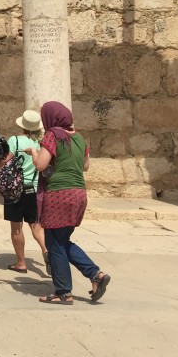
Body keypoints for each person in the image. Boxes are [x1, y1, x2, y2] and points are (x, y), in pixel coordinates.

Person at [22, 101, 111, 305]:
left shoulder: (53, 135)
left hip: (59, 195)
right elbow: (86, 166)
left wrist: (34, 153)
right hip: (78, 194)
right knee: (62, 241)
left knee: (54, 244)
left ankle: (63, 292)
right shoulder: (79, 138)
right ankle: (95, 275)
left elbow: (40, 164)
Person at [0, 109, 48, 273]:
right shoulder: (40, 143)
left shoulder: (15, 141)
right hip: (33, 188)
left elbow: (5, 161)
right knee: (36, 226)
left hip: (16, 189)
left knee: (16, 227)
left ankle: (21, 262)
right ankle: (46, 251)